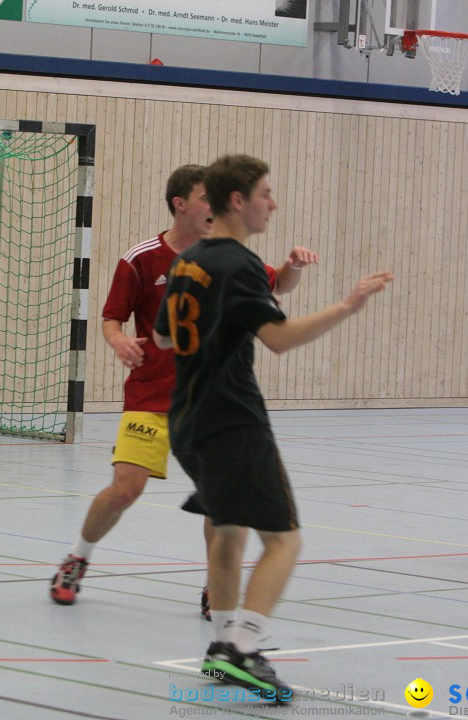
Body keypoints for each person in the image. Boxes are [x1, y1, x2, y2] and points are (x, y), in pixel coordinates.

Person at [152, 154, 392, 699]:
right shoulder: (237, 263)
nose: (273, 203)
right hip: (232, 418)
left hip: (187, 418)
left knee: (228, 532)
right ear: (237, 201)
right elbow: (279, 338)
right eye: (266, 192)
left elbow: (164, 339)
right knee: (283, 539)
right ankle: (243, 648)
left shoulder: (189, 261)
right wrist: (348, 305)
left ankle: (221, 646)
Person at [49, 165, 318, 613]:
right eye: (203, 199)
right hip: (151, 395)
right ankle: (78, 557)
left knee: (221, 505)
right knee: (125, 489)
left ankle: (218, 587)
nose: (212, 207)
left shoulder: (227, 256)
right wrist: (118, 342)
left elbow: (279, 286)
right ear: (180, 204)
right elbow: (112, 317)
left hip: (208, 404)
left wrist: (292, 267)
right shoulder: (141, 258)